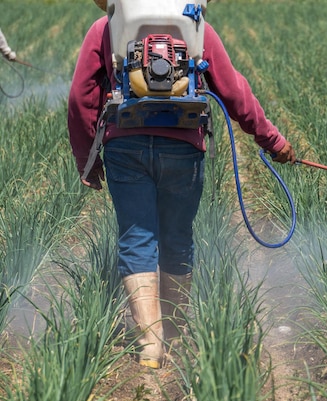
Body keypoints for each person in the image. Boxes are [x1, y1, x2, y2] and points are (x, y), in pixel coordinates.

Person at [68, 0, 296, 369]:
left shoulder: (105, 28)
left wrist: (87, 160)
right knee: (177, 238)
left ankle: (150, 344)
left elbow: (81, 98)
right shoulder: (195, 25)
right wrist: (273, 140)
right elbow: (235, 93)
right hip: (182, 146)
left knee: (136, 237)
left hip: (124, 146)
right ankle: (174, 334)